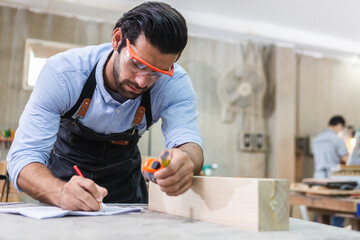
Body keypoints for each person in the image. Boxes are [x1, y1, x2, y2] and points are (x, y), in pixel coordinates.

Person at [7, 1, 203, 211]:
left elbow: (190, 145)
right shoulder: (63, 74)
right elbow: (23, 158)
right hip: (63, 196)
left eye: (156, 72)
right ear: (117, 39)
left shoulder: (174, 84)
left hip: (127, 195)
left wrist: (186, 162)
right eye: (138, 64)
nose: (142, 82)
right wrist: (60, 192)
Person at [312, 115, 348, 227]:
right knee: (338, 206)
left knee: (318, 206)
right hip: (332, 177)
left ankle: (316, 232)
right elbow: (346, 158)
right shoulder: (337, 140)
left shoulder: (316, 139)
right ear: (339, 126)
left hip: (317, 176)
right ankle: (336, 232)